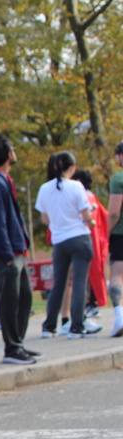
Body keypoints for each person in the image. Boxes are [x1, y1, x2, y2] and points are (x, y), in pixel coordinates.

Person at [0, 136, 41, 365]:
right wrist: (6, 253)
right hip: (8, 251)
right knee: (10, 301)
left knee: (25, 297)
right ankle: (12, 348)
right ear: (7, 154)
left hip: (16, 248)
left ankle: (18, 343)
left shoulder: (3, 180)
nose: (15, 152)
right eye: (13, 148)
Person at [35, 151, 98, 340]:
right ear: (71, 168)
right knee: (79, 282)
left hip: (59, 240)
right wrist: (91, 221)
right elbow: (85, 215)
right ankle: (77, 326)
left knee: (58, 284)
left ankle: (49, 326)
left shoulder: (44, 188)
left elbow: (45, 219)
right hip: (79, 237)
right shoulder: (76, 186)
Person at [73, 168, 109, 316]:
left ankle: (90, 303)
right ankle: (92, 303)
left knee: (87, 274)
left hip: (88, 239)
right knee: (93, 272)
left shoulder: (85, 198)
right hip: (99, 240)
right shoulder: (93, 197)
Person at [105, 142, 123, 336]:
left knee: (117, 276)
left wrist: (106, 233)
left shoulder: (118, 179)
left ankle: (120, 317)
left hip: (121, 233)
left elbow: (114, 213)